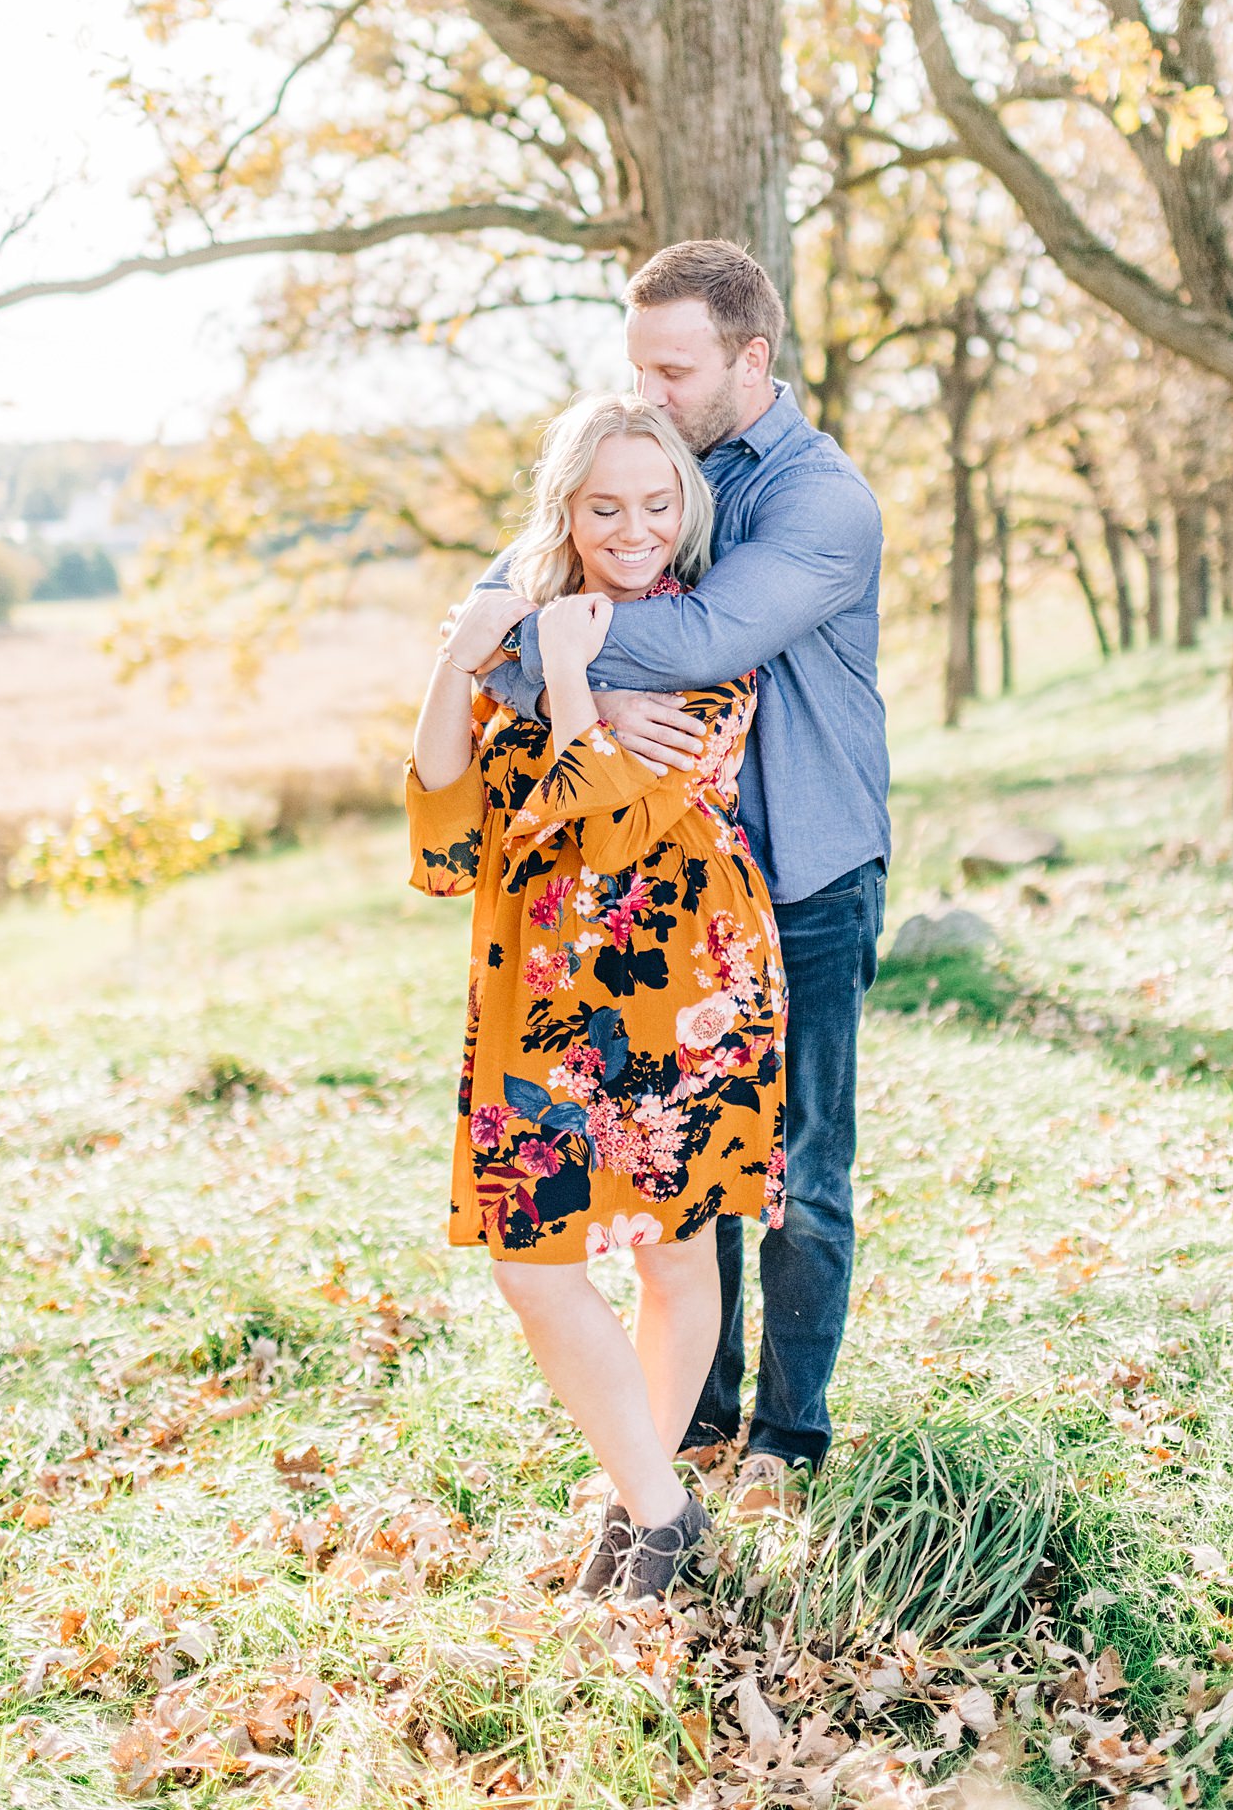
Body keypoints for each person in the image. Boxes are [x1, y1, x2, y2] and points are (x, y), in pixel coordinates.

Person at [477, 241, 889, 1507]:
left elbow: (699, 637)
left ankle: (788, 1437)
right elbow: (521, 584)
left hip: (807, 871)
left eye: (673, 367)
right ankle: (687, 1435)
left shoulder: (823, 501)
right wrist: (527, 637)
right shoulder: (646, 478)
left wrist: (538, 644)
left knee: (801, 1175)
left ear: (749, 360)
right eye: (635, 365)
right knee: (678, 1167)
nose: (647, 390)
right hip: (670, 896)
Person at [406, 393, 786, 1602]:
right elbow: (442, 811)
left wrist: (574, 684)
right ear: (563, 509)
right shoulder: (524, 632)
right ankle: (661, 1509)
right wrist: (464, 656)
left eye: (657, 503)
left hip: (678, 982)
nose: (632, 528)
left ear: (688, 509)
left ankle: (645, 1521)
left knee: (673, 1252)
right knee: (533, 1263)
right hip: (537, 990)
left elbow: (612, 830)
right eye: (605, 504)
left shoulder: (706, 638)